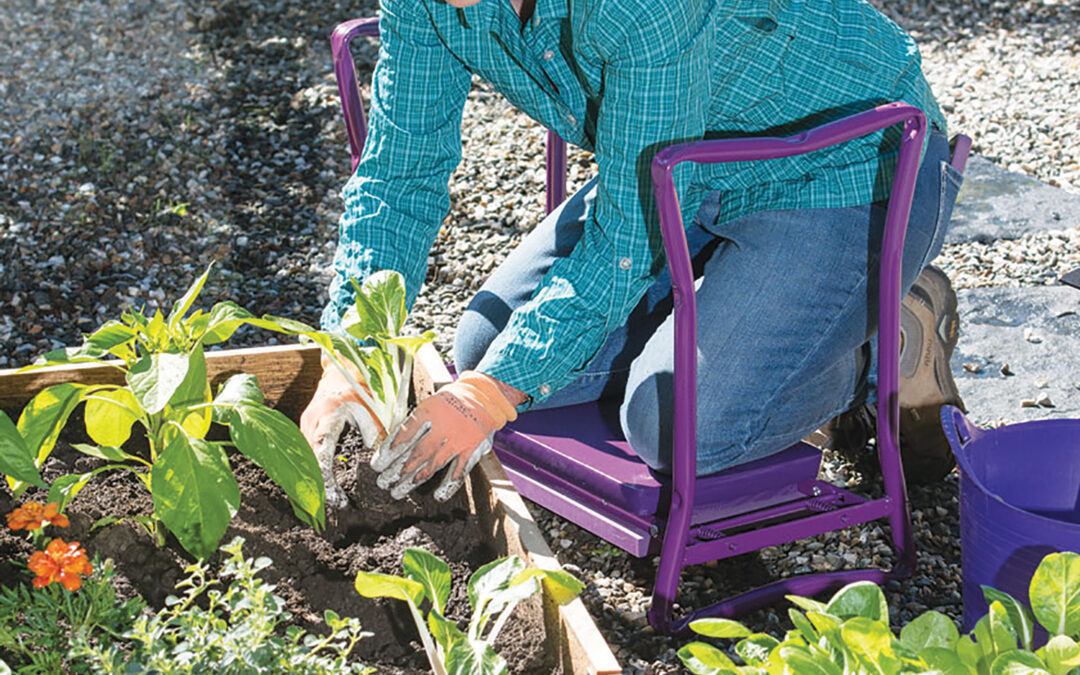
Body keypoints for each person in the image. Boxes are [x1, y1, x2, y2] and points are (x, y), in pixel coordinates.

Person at [301, 0, 966, 506]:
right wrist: (353, 348)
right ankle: (760, 319)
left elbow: (628, 236)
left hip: (847, 169)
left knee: (672, 424)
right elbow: (398, 177)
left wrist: (494, 393)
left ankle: (877, 349)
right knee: (482, 349)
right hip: (681, 165)